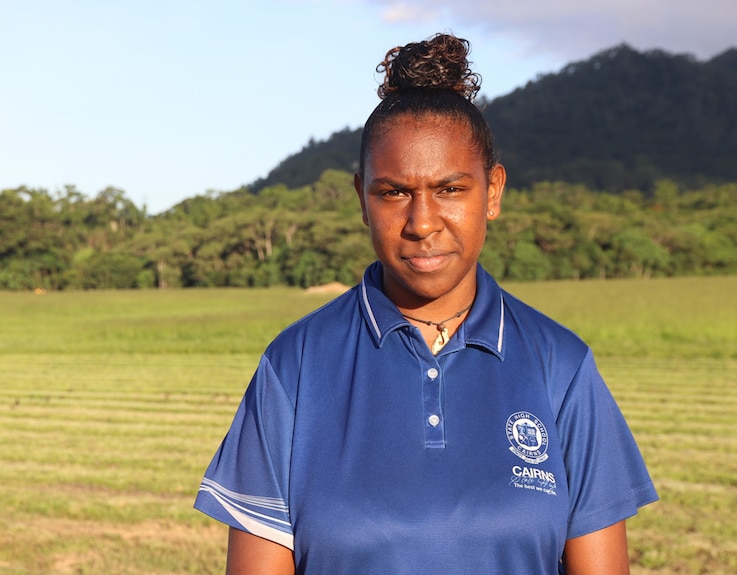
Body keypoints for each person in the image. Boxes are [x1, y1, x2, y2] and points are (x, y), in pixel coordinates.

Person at [194, 33, 657, 574]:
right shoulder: (294, 366)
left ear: (493, 192)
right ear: (362, 199)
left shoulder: (560, 365)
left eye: (450, 189)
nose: (421, 223)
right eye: (393, 192)